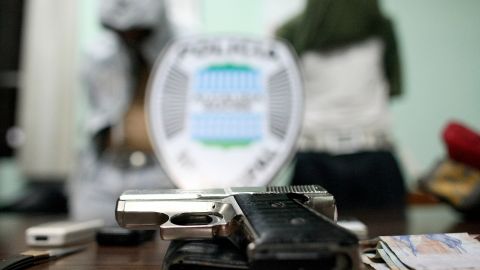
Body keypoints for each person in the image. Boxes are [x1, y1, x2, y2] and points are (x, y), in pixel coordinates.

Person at [276, 0, 406, 209]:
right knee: (386, 236)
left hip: (322, 159)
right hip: (367, 159)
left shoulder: (291, 30)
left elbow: (282, 98)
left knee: (313, 238)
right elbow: (394, 88)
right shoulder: (380, 26)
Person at [69, 0, 175, 224]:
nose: (129, 36)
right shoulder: (98, 56)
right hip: (103, 176)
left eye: (138, 31)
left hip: (160, 178)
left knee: (155, 254)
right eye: (120, 31)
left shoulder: (180, 55)